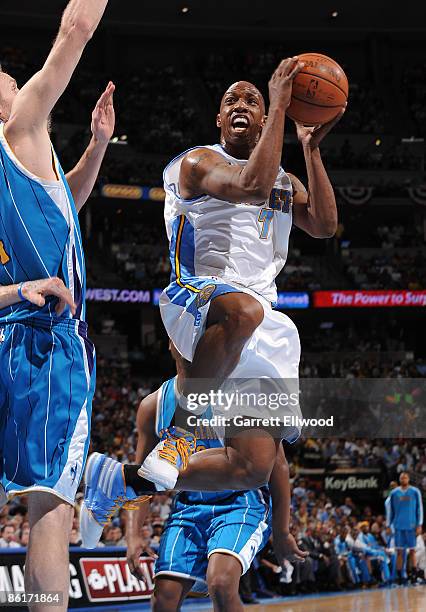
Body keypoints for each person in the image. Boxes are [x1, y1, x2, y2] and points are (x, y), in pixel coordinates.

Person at [81, 57, 345, 542]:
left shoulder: (285, 180)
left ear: (264, 120)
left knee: (252, 468)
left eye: (252, 100)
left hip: (263, 321)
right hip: (198, 297)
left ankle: (119, 479)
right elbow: (250, 186)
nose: (241, 105)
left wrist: (310, 149)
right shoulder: (197, 162)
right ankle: (182, 432)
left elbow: (326, 226)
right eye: (231, 101)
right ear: (219, 121)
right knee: (243, 309)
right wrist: (282, 104)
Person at [0, 1, 113, 609]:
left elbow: (61, 201)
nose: (14, 82)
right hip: (46, 345)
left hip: (3, 333)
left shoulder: (16, 158)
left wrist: (96, 147)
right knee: (50, 497)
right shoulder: (18, 125)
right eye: (8, 81)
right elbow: (75, 28)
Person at [122, 345, 306, 612]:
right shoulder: (154, 405)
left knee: (220, 582)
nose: (190, 342)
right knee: (163, 598)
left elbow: (277, 464)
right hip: (188, 507)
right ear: (172, 344)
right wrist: (133, 534)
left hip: (240, 503)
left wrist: (281, 531)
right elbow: (141, 476)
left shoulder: (236, 390)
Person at [385, 471, 424, 584]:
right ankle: (399, 577)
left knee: (412, 551)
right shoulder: (394, 493)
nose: (403, 480)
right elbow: (390, 511)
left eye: (405, 478)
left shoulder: (415, 491)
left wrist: (419, 524)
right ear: (399, 480)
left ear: (408, 479)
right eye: (401, 478)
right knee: (400, 552)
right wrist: (388, 525)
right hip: (398, 526)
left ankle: (413, 575)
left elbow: (419, 508)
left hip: (411, 526)